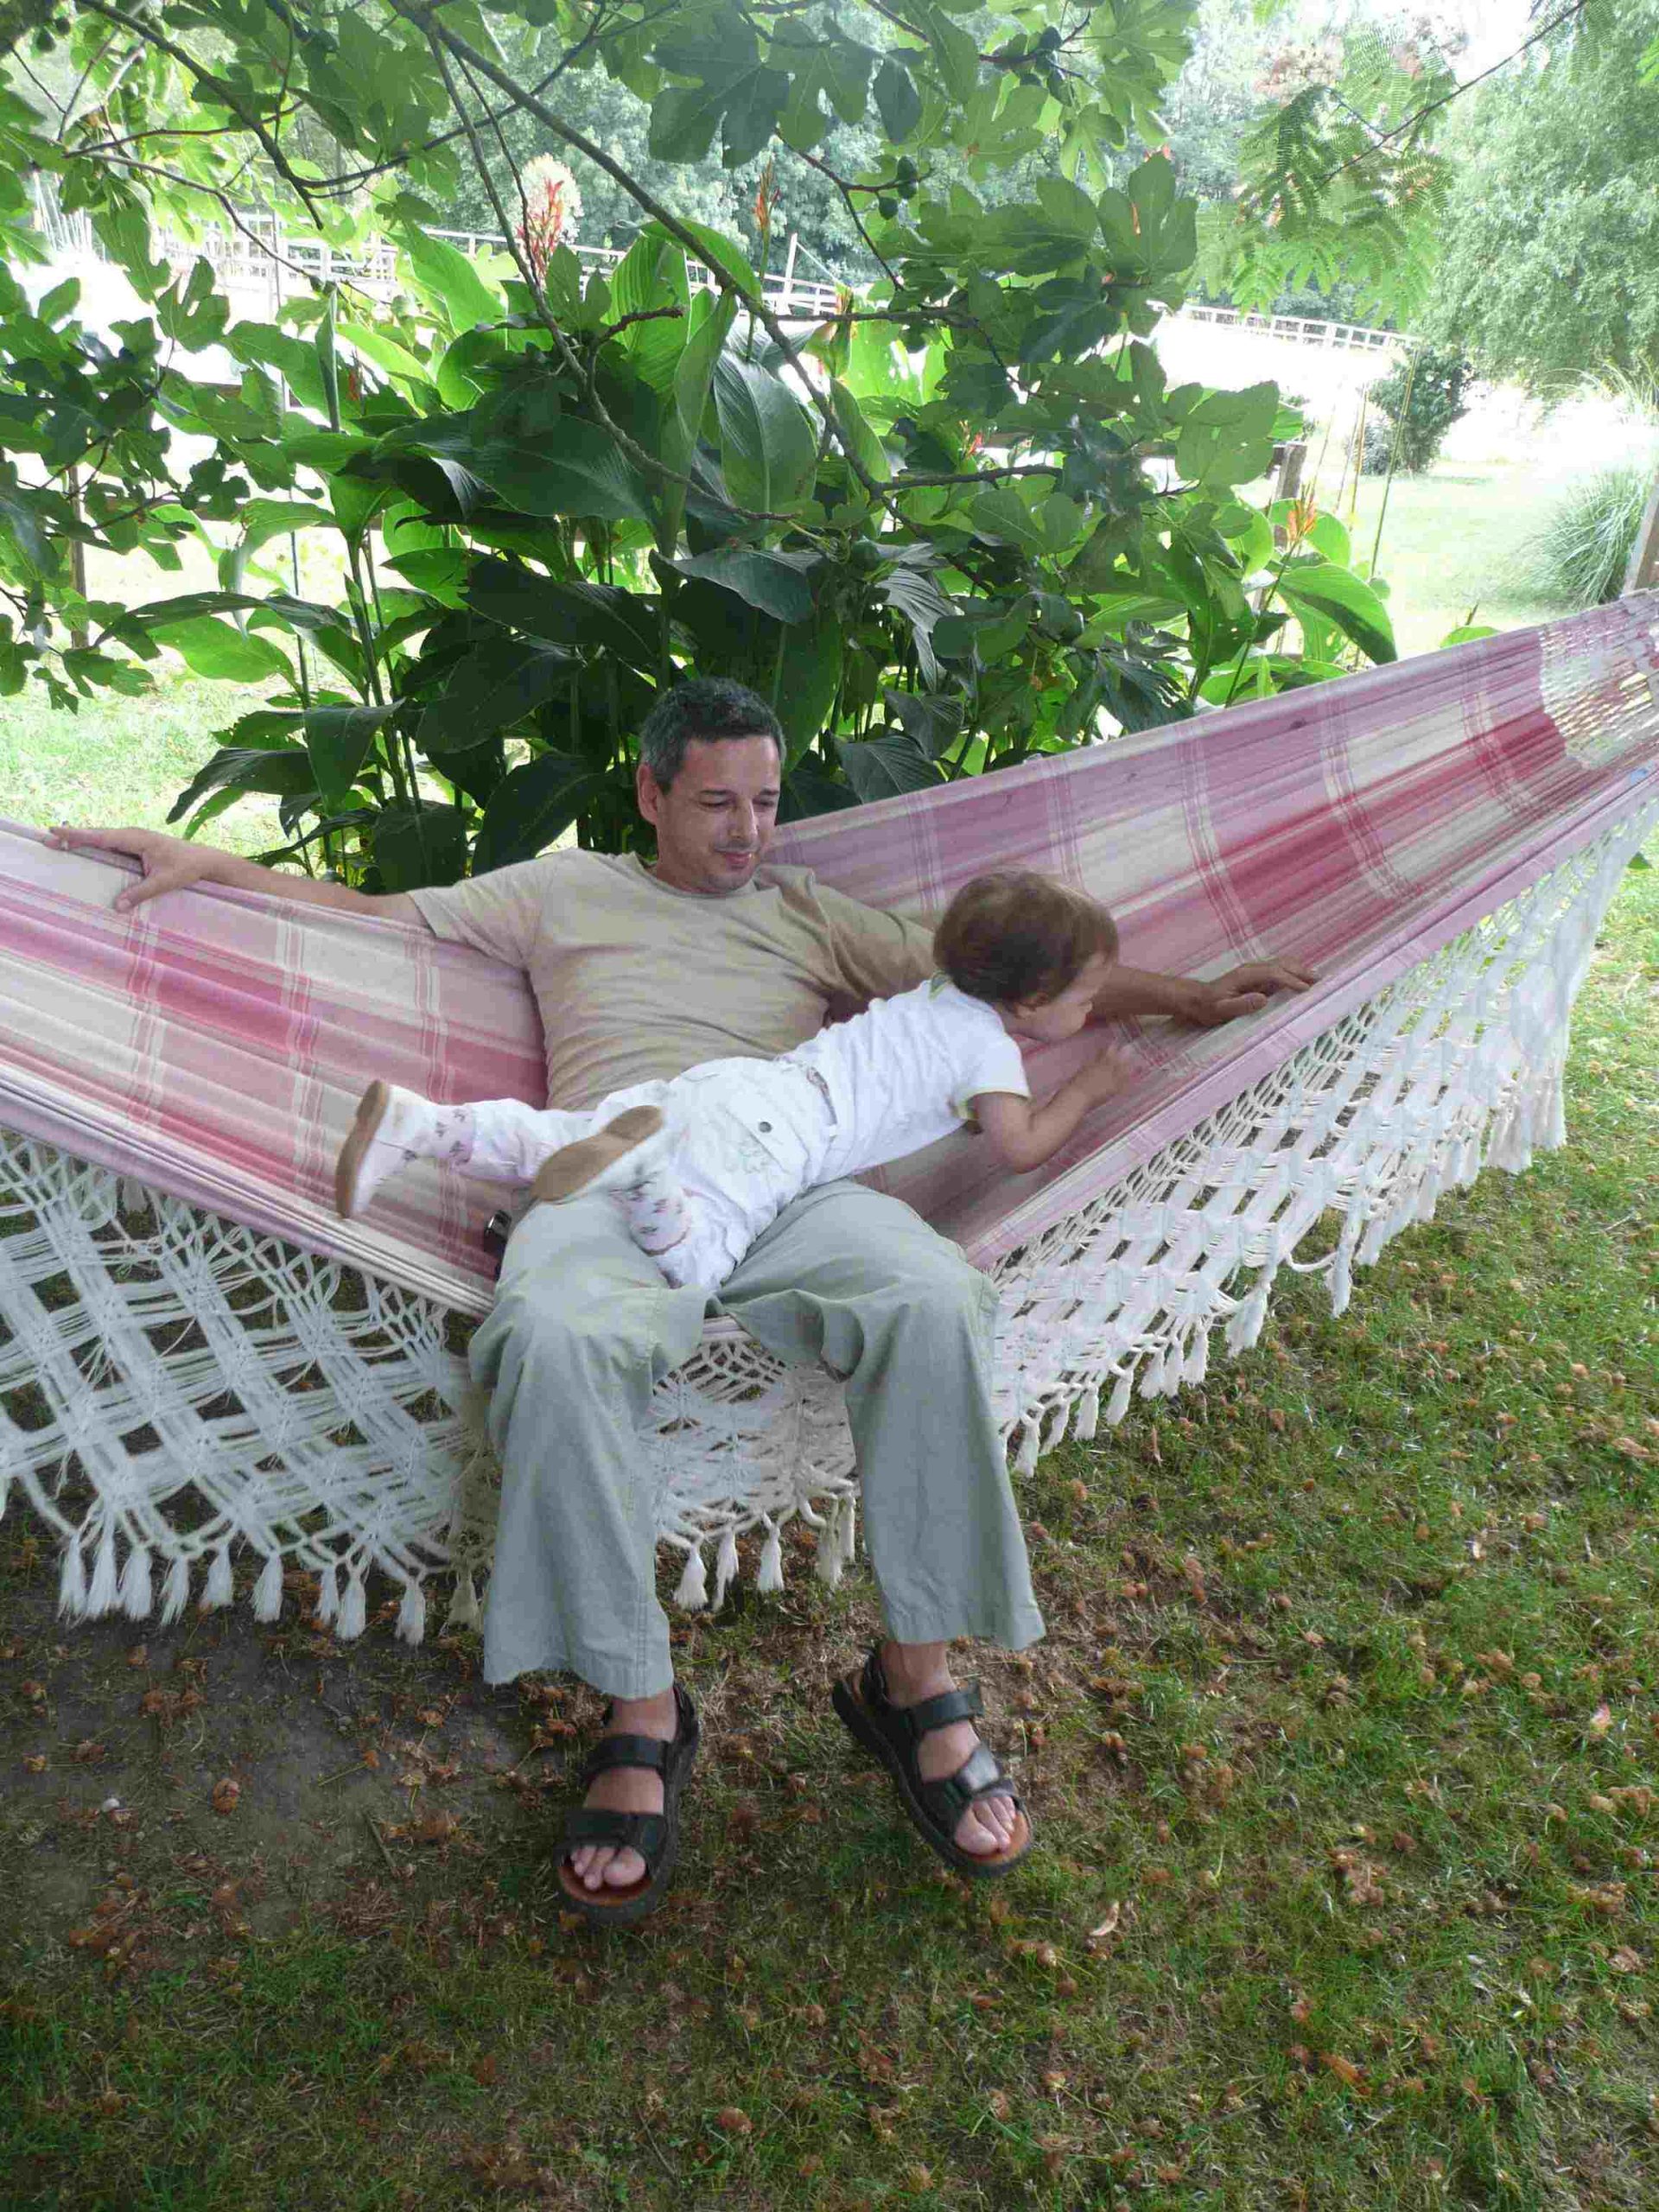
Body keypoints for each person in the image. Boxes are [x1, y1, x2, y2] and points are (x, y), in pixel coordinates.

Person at [49, 677, 1315, 1926]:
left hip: (792, 1187)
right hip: (604, 1175)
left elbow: (1024, 986)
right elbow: (377, 916)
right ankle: (642, 1706)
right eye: (717, 802)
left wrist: (1193, 998)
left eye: (765, 801)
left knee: (933, 1295)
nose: (747, 830)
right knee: (550, 1338)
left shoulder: (806, 912)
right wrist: (208, 866)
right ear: (651, 795)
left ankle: (913, 1680)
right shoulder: (561, 891)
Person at [331, 868, 1138, 1296]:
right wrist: (1087, 1091)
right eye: (1086, 999)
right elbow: (1019, 1146)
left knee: (561, 1136)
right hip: (779, 1143)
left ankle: (422, 1125)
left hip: (728, 1086)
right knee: (703, 1267)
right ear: (1032, 998)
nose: (1089, 1010)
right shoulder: (990, 1054)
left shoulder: (935, 993)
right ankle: (642, 1175)